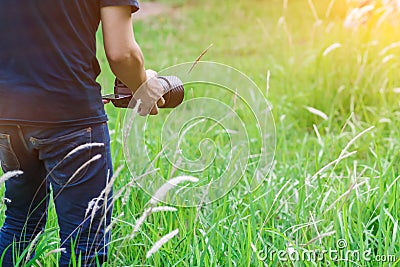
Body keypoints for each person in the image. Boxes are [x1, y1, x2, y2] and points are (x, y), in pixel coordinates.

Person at [0, 0, 165, 266]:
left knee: (20, 224)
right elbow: (122, 54)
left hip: (7, 116)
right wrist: (143, 85)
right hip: (71, 117)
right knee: (85, 245)